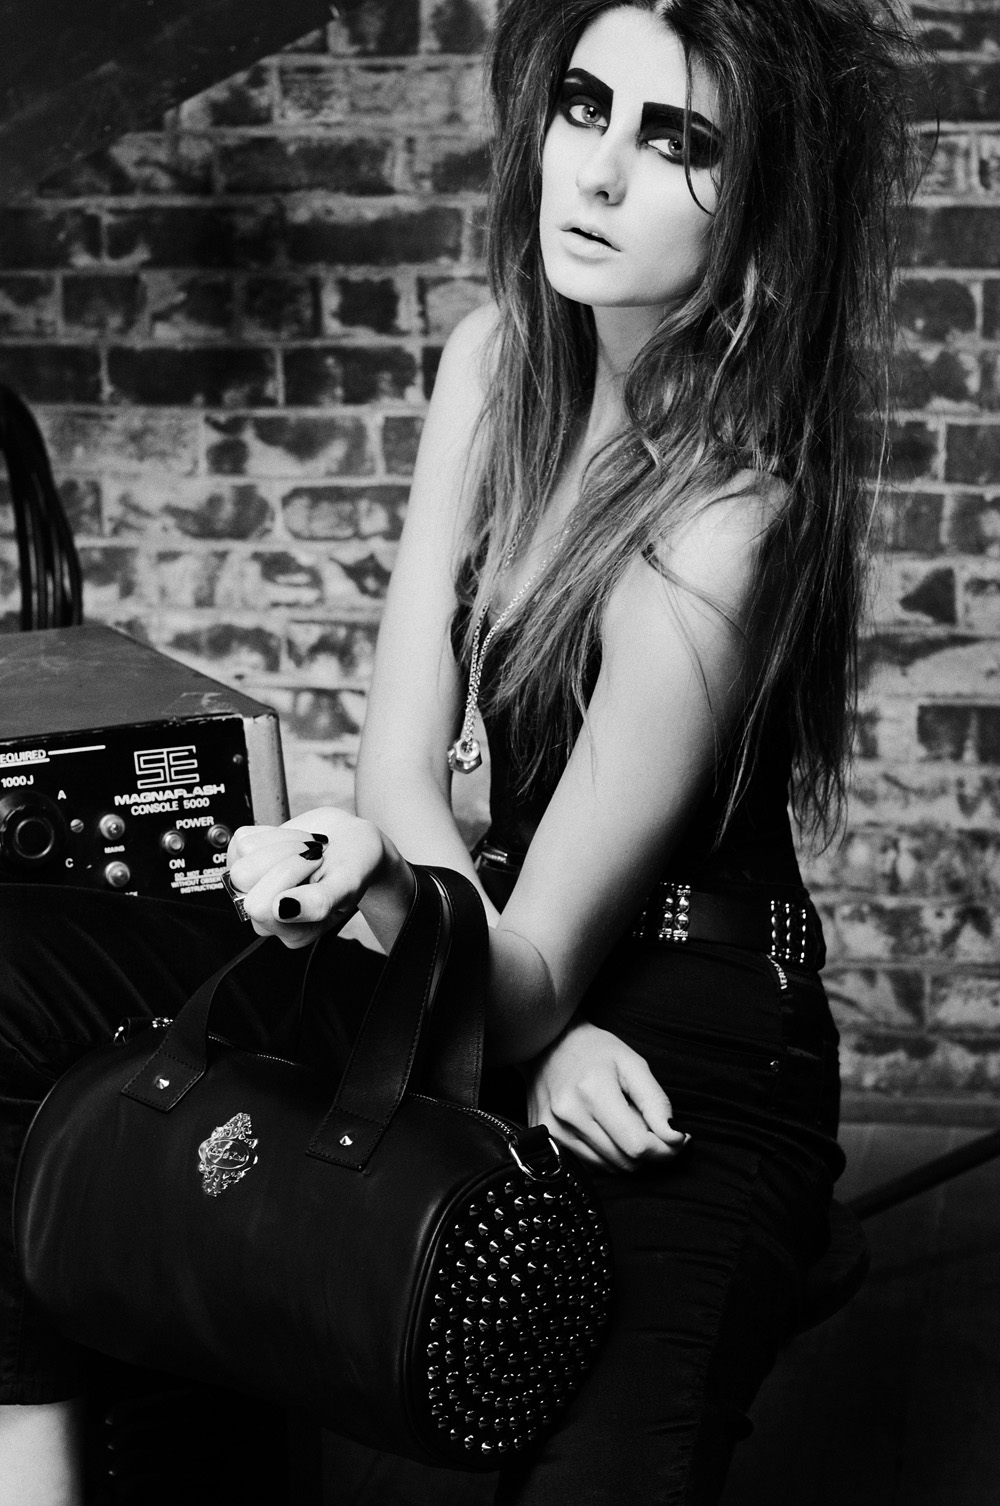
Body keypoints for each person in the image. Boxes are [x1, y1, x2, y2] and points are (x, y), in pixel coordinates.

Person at [0, 1, 919, 1502]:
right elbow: (401, 778)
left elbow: (545, 956)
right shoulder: (494, 361)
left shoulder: (725, 519)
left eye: (678, 141)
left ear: (757, 217)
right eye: (584, 108)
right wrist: (409, 912)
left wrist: (467, 959)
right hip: (477, 953)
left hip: (684, 1041)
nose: (601, 173)